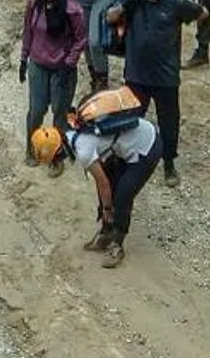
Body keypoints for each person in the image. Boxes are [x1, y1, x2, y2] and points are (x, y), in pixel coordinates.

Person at [106, 0, 206, 185]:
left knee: (168, 122)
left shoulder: (174, 2)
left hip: (165, 77)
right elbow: (110, 17)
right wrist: (125, 3)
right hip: (136, 75)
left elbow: (201, 13)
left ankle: (169, 163)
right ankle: (125, 160)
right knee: (130, 119)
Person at [65, 84, 163, 267]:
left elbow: (102, 183)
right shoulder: (74, 130)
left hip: (146, 148)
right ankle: (106, 232)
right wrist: (105, 206)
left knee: (123, 196)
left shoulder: (84, 149)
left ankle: (117, 243)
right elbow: (103, 180)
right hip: (125, 145)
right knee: (112, 188)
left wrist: (108, 208)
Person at [18, 0, 85, 167]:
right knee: (36, 110)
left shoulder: (73, 11)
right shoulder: (34, 4)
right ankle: (32, 148)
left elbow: (81, 39)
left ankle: (57, 157)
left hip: (61, 70)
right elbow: (28, 31)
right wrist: (23, 58)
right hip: (38, 65)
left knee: (60, 113)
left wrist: (69, 63)